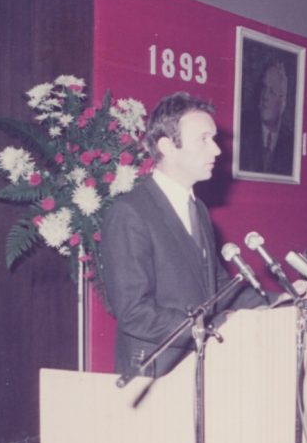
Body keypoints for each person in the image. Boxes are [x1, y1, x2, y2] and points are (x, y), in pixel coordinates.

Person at [101, 92, 267, 377]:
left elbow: (217, 286)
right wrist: (211, 327)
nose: (217, 150)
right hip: (156, 371)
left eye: (213, 139)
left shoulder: (198, 209)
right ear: (167, 146)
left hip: (199, 365)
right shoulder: (130, 212)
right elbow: (134, 312)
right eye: (203, 139)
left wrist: (280, 302)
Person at [238, 58, 294, 176]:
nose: (265, 96)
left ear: (283, 101)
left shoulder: (291, 144)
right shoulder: (242, 127)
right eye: (264, 87)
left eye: (272, 91)